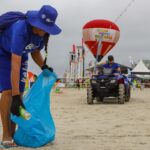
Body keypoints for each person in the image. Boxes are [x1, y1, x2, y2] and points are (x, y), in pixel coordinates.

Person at [0, 5, 61, 148]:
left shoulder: (42, 34)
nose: (44, 31)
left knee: (20, 94)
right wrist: (14, 97)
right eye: (42, 27)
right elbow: (15, 65)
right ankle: (6, 135)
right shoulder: (20, 29)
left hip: (21, 55)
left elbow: (34, 52)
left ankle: (13, 133)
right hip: (3, 54)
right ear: (35, 23)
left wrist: (44, 67)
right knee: (9, 92)